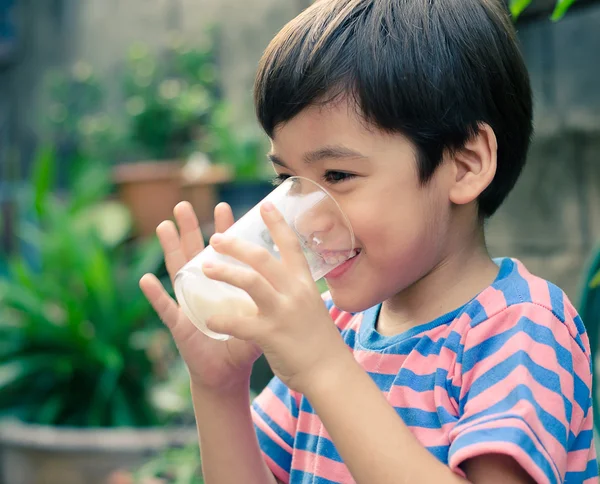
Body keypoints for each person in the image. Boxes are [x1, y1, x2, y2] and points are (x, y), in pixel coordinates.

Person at [140, 0, 599, 482]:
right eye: (287, 180)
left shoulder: (521, 327)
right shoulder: (337, 328)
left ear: (464, 165)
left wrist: (324, 368)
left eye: (337, 175)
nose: (306, 219)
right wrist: (219, 389)